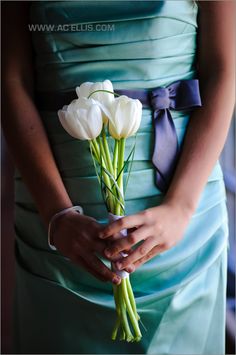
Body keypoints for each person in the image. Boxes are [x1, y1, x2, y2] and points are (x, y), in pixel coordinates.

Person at [2, 1, 235, 354]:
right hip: (56, 223)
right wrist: (56, 214)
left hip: (182, 220)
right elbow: (11, 77)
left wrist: (181, 206)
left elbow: (223, 68)